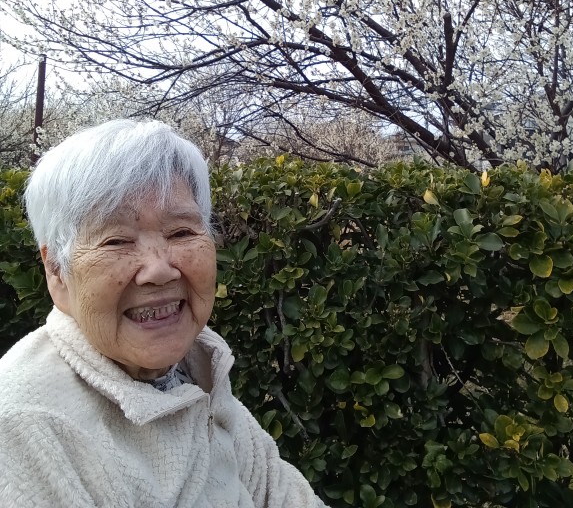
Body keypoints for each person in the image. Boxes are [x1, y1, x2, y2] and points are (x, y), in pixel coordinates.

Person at [0, 119, 328, 507]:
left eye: (181, 233)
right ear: (57, 271)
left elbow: (279, 491)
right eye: (116, 240)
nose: (159, 269)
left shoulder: (198, 371)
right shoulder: (26, 428)